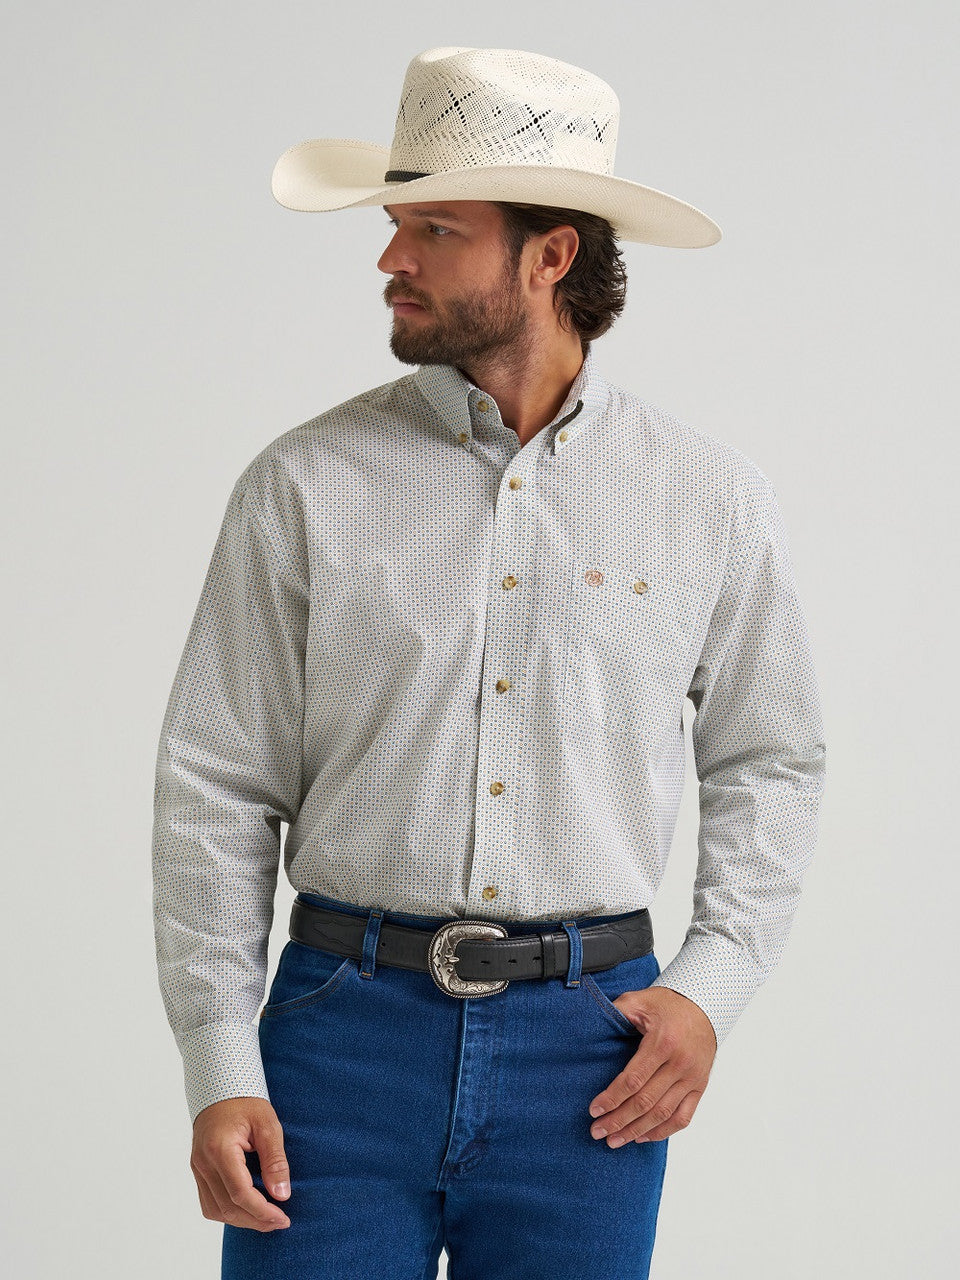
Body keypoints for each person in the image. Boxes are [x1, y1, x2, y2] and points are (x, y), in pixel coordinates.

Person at [152, 45, 826, 1280]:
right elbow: (217, 781)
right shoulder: (301, 484)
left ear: (549, 255)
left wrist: (711, 985)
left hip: (594, 1056)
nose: (390, 258)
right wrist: (218, 1058)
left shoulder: (707, 498)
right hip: (338, 1041)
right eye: (396, 225)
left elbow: (771, 759)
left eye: (436, 230)